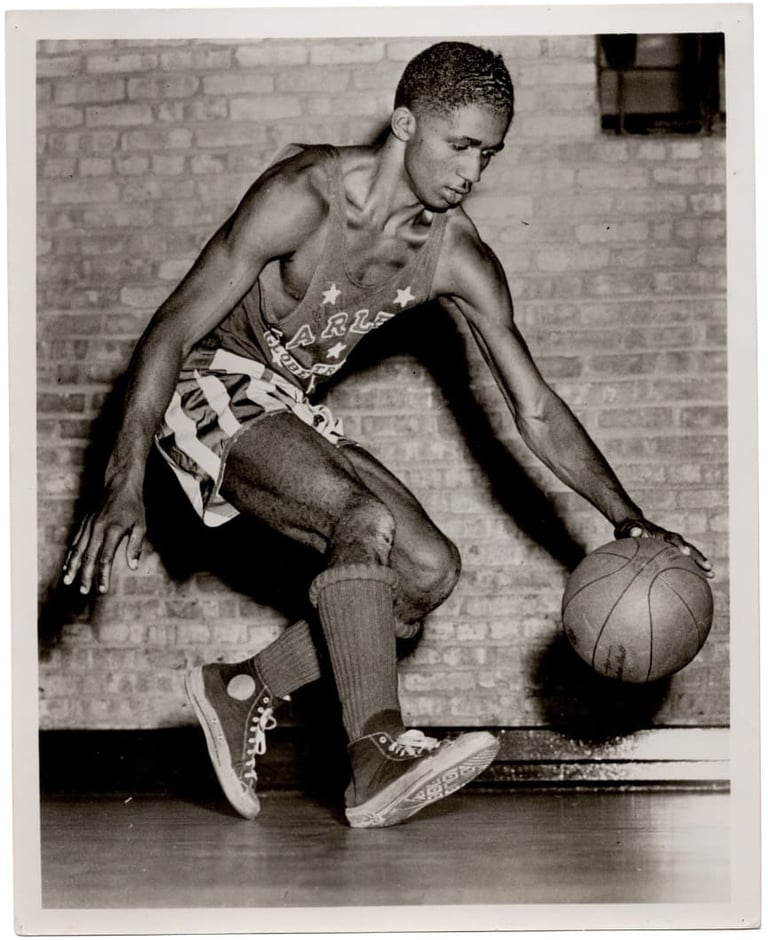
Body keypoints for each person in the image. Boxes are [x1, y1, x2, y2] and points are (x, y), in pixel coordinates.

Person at [62, 41, 713, 828]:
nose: (473, 172)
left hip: (285, 399)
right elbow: (169, 331)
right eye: (461, 145)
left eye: (490, 153)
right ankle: (373, 754)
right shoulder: (302, 195)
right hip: (205, 380)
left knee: (427, 570)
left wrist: (624, 513)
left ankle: (240, 689)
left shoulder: (456, 254)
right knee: (360, 520)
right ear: (406, 123)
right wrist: (121, 480)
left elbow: (534, 407)